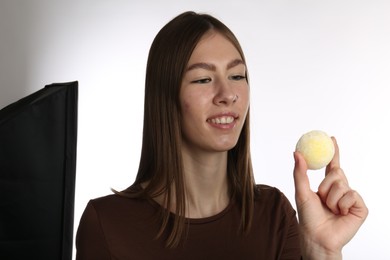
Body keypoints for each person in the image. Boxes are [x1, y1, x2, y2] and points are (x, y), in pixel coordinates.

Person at [76, 11, 368, 259]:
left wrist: (322, 251)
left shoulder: (274, 215)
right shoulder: (107, 224)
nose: (228, 94)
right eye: (203, 79)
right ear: (165, 97)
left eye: (237, 76)